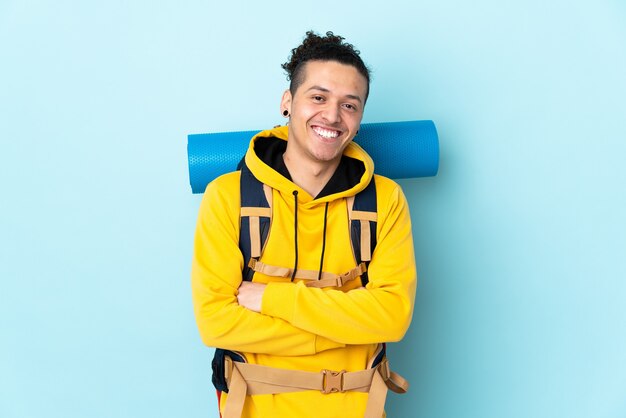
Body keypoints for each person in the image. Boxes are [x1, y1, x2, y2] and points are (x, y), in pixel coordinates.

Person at [192, 30, 417, 418]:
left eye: (350, 105)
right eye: (318, 97)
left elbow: (392, 318)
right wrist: (344, 328)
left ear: (360, 119)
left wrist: (271, 299)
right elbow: (216, 323)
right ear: (287, 102)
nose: (332, 116)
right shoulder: (227, 197)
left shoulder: (386, 200)